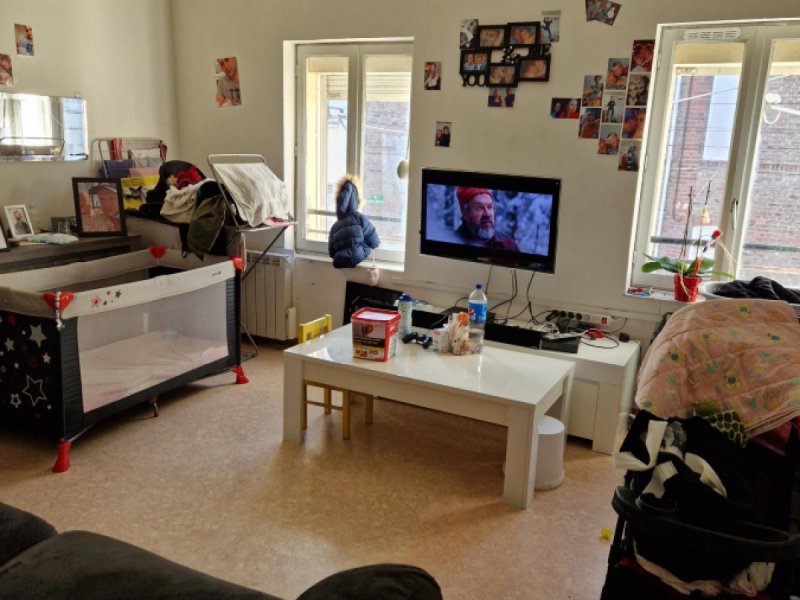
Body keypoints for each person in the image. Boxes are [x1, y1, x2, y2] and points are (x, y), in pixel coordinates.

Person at [328, 175, 380, 269]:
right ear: (357, 200)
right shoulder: (360, 219)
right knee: (366, 246)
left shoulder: (334, 227)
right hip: (357, 254)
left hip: (340, 259)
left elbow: (331, 252)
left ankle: (344, 256)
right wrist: (371, 245)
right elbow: (374, 241)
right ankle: (352, 255)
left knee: (338, 254)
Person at [454, 187, 518, 250]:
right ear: (464, 213)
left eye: (490, 207)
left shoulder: (508, 244)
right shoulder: (453, 241)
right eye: (479, 208)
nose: (487, 214)